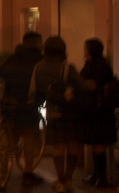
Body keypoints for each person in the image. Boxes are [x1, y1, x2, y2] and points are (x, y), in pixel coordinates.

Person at [29, 36, 92, 193]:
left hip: (53, 112)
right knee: (72, 146)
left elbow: (35, 91)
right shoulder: (66, 67)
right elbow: (82, 85)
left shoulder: (39, 67)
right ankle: (68, 180)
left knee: (58, 147)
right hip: (70, 113)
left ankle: (61, 180)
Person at [0, 31, 44, 186]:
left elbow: (1, 71)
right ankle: (28, 172)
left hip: (9, 101)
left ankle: (4, 168)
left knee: (11, 135)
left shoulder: (14, 56)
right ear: (36, 43)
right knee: (29, 136)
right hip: (27, 103)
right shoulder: (39, 60)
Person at [79, 38, 115, 188]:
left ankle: (102, 177)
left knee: (98, 143)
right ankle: (97, 175)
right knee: (95, 143)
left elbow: (92, 85)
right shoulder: (92, 64)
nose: (84, 51)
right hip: (94, 110)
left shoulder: (100, 66)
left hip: (100, 111)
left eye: (86, 48)